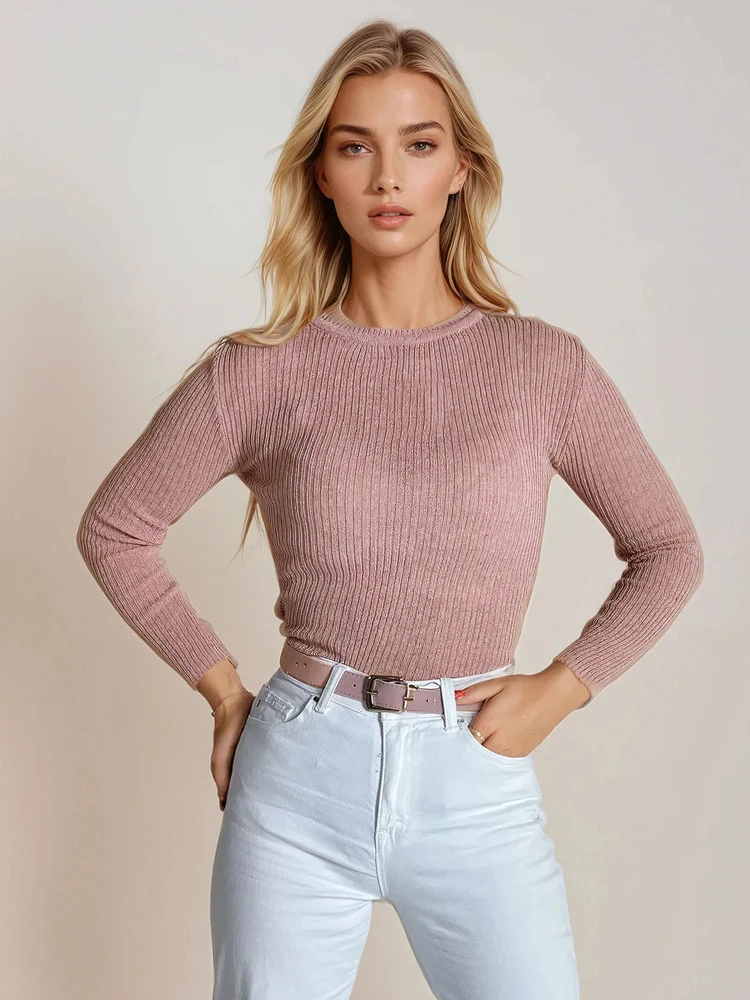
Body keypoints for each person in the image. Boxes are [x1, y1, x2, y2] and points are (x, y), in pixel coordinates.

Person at [76, 19, 704, 1000]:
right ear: (320, 174)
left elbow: (669, 547)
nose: (387, 178)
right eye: (354, 146)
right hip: (298, 776)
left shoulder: (541, 367)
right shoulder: (260, 370)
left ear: (460, 169)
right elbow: (115, 530)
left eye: (418, 144)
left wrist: (562, 686)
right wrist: (226, 692)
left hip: (475, 775)